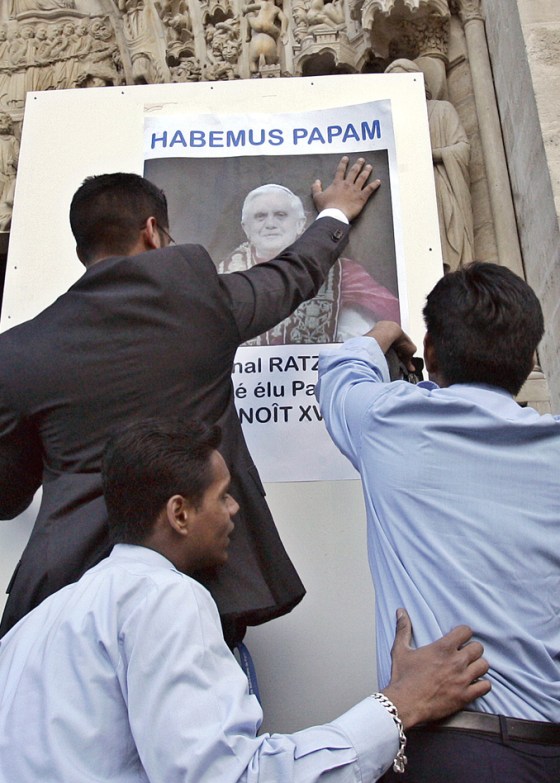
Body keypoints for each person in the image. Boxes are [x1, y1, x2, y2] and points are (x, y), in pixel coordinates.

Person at [0, 416, 491, 783]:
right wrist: (397, 706)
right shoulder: (163, 598)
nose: (235, 509)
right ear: (180, 514)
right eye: (223, 495)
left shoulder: (35, 625)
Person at [0, 156, 378, 647]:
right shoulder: (202, 301)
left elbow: (8, 496)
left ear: (84, 248)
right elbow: (290, 276)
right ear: (153, 232)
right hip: (201, 597)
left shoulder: (20, 352)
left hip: (67, 613)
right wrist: (335, 215)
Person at [316, 261, 560, 783]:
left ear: (431, 346)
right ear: (529, 360)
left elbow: (338, 373)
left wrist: (383, 335)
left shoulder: (388, 421)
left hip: (450, 763)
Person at [219, 182, 400, 344]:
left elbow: (394, 313)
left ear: (300, 224)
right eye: (260, 216)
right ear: (246, 227)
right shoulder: (221, 273)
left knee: (358, 321)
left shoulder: (341, 271)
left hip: (320, 375)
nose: (270, 224)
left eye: (280, 215)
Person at [385, 59, 474, 272]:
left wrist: (431, 154)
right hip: (404, 190)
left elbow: (462, 147)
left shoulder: (441, 110)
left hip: (439, 185)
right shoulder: (387, 121)